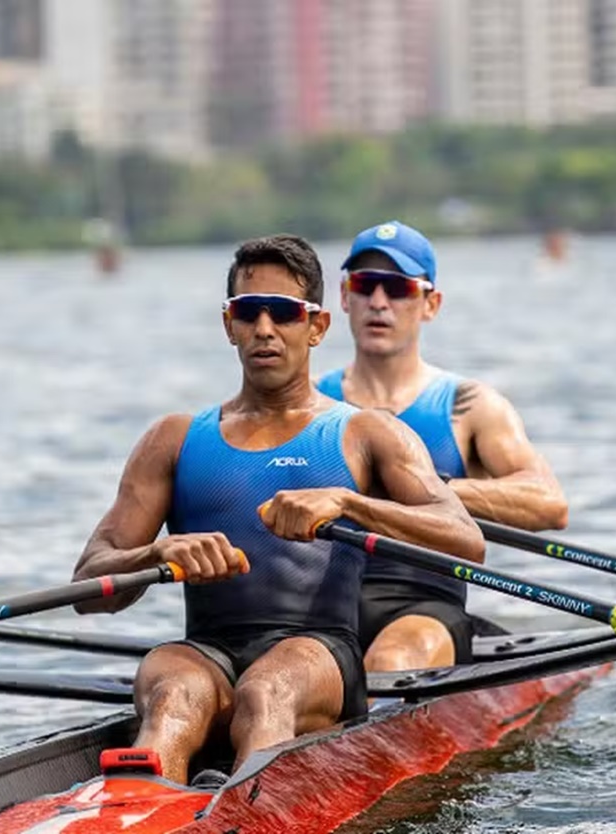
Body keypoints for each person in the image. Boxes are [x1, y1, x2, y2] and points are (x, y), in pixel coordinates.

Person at [72, 233, 484, 785]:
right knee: (171, 696)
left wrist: (349, 503)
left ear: (316, 327)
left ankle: (248, 807)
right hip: (206, 651)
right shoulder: (171, 439)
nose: (264, 328)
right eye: (248, 312)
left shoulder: (367, 433)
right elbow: (89, 587)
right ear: (229, 325)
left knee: (266, 693)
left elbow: (464, 540)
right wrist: (155, 550)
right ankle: (142, 809)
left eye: (284, 313)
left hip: (318, 655)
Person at [317, 220, 568, 674]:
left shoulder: (469, 407)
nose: (378, 302)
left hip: (423, 610)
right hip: (319, 612)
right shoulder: (309, 403)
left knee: (391, 659)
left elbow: (550, 505)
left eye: (397, 288)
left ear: (430, 304)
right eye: (365, 284)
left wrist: (422, 488)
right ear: (343, 297)